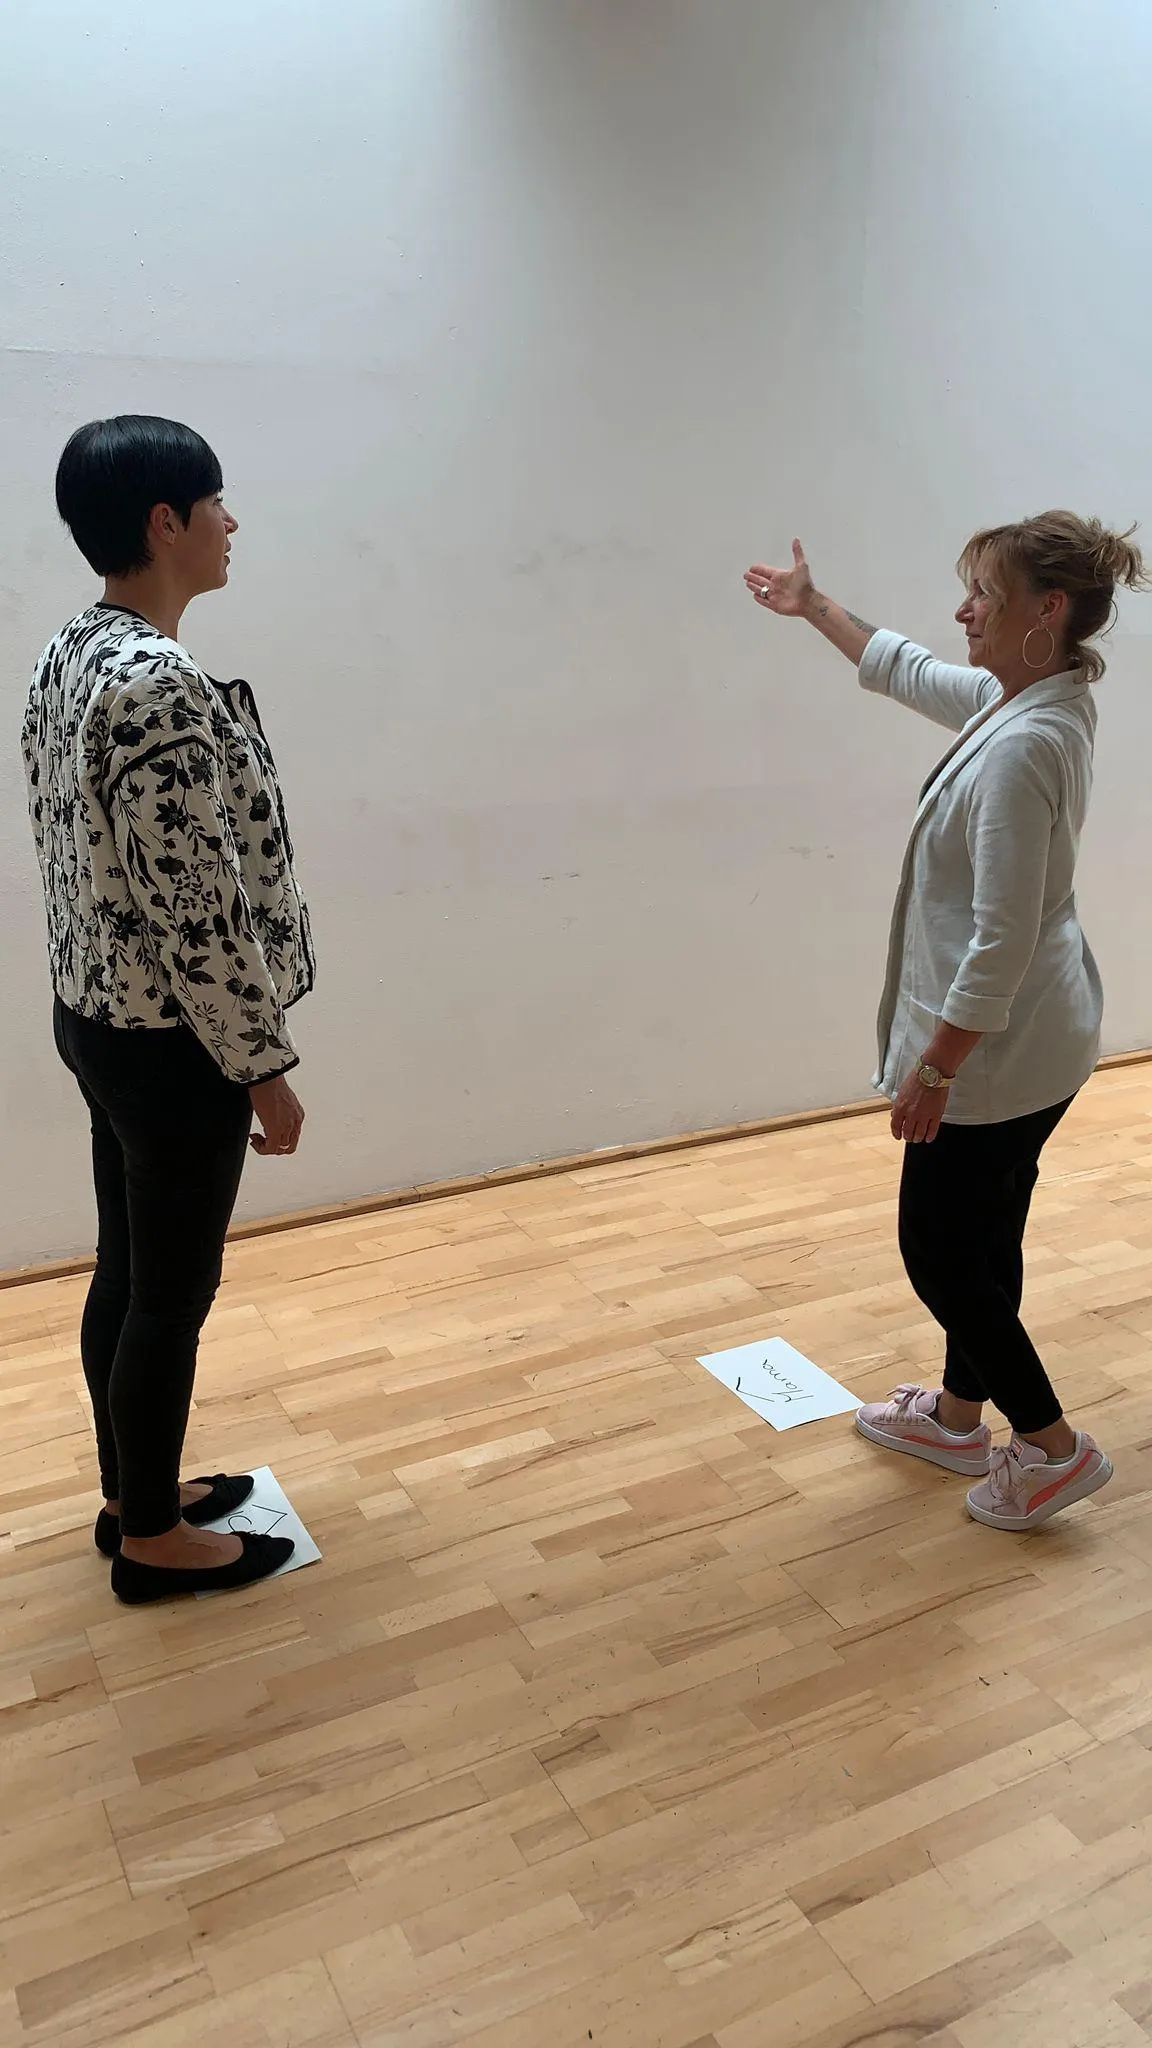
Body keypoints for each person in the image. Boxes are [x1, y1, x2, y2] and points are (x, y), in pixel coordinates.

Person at [744, 513, 1147, 1531]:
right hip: (1044, 1037)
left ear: (1044, 613)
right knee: (986, 1229)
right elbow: (912, 668)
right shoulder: (1025, 703)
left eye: (986, 593)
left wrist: (937, 1067)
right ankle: (958, 1417)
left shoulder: (1023, 745)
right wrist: (814, 606)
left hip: (1001, 1051)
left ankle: (1052, 1446)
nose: (964, 608)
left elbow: (1001, 935)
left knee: (936, 1245)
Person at [22, 415, 315, 1603]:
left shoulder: (70, 654)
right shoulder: (155, 681)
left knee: (130, 1272)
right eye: (216, 503)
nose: (231, 522)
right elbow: (195, 908)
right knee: (171, 1294)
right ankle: (151, 1536)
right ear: (164, 522)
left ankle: (132, 1488)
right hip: (172, 1040)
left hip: (97, 1017)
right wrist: (264, 1065)